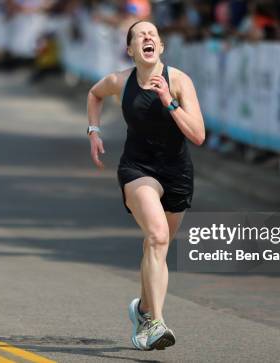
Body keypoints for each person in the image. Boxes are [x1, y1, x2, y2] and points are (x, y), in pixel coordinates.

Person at [86, 20, 205, 351]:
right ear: (131, 50)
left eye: (152, 34)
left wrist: (169, 99)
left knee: (159, 247)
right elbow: (94, 94)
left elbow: (197, 135)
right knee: (157, 236)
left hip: (177, 172)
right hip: (138, 168)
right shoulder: (120, 81)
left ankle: (142, 310)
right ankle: (155, 323)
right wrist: (93, 131)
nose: (147, 37)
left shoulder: (179, 81)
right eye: (140, 35)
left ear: (161, 47)